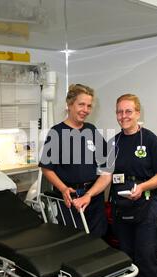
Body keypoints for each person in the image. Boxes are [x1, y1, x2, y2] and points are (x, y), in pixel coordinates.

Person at [73, 93, 157, 277]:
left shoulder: (150, 140)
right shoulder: (113, 144)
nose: (123, 115)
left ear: (137, 113)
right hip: (122, 206)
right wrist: (88, 195)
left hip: (147, 204)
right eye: (119, 111)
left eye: (128, 111)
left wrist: (142, 186)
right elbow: (106, 176)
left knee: (146, 254)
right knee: (127, 253)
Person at [38, 84, 108, 238]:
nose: (85, 110)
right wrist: (63, 189)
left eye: (89, 106)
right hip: (70, 200)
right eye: (81, 104)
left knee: (97, 243)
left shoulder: (91, 130)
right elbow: (46, 168)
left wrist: (89, 194)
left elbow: (106, 169)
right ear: (69, 104)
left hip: (93, 199)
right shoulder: (57, 133)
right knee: (74, 244)